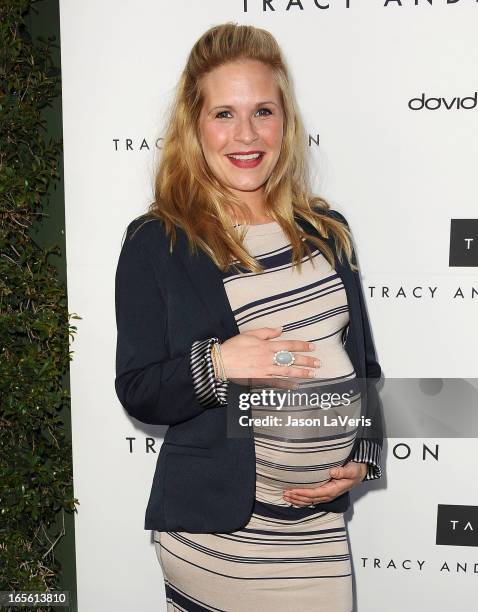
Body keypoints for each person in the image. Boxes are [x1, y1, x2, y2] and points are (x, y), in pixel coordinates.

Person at [114, 22, 383, 612]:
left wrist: (362, 454)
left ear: (285, 121)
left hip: (317, 531)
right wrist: (218, 363)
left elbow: (365, 368)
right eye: (224, 114)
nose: (246, 134)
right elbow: (138, 388)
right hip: (219, 538)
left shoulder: (327, 232)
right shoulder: (157, 243)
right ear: (195, 125)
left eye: (263, 110)